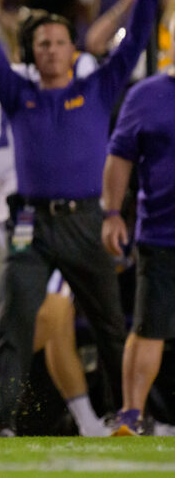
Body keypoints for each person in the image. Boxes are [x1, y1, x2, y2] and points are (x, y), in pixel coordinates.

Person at [0, 0, 158, 436]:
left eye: (59, 42)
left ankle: (128, 416)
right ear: (32, 52)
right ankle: (2, 421)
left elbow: (135, 42)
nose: (50, 49)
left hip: (86, 220)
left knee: (111, 324)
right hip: (31, 222)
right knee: (13, 322)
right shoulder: (16, 92)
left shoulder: (97, 87)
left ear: (74, 50)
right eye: (42, 43)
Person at [103, 24, 175, 436]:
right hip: (161, 234)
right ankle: (131, 413)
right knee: (148, 327)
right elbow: (119, 157)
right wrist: (112, 212)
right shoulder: (145, 95)